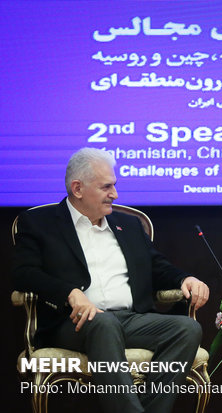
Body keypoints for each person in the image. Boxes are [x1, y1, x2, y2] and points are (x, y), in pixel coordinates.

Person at [12, 147, 210, 413]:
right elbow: (23, 273)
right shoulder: (39, 223)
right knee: (103, 322)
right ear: (78, 188)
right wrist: (69, 292)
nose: (115, 194)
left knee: (187, 328)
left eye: (114, 185)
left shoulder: (128, 225)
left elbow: (157, 267)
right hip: (74, 323)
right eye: (106, 187)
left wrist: (185, 278)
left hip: (131, 319)